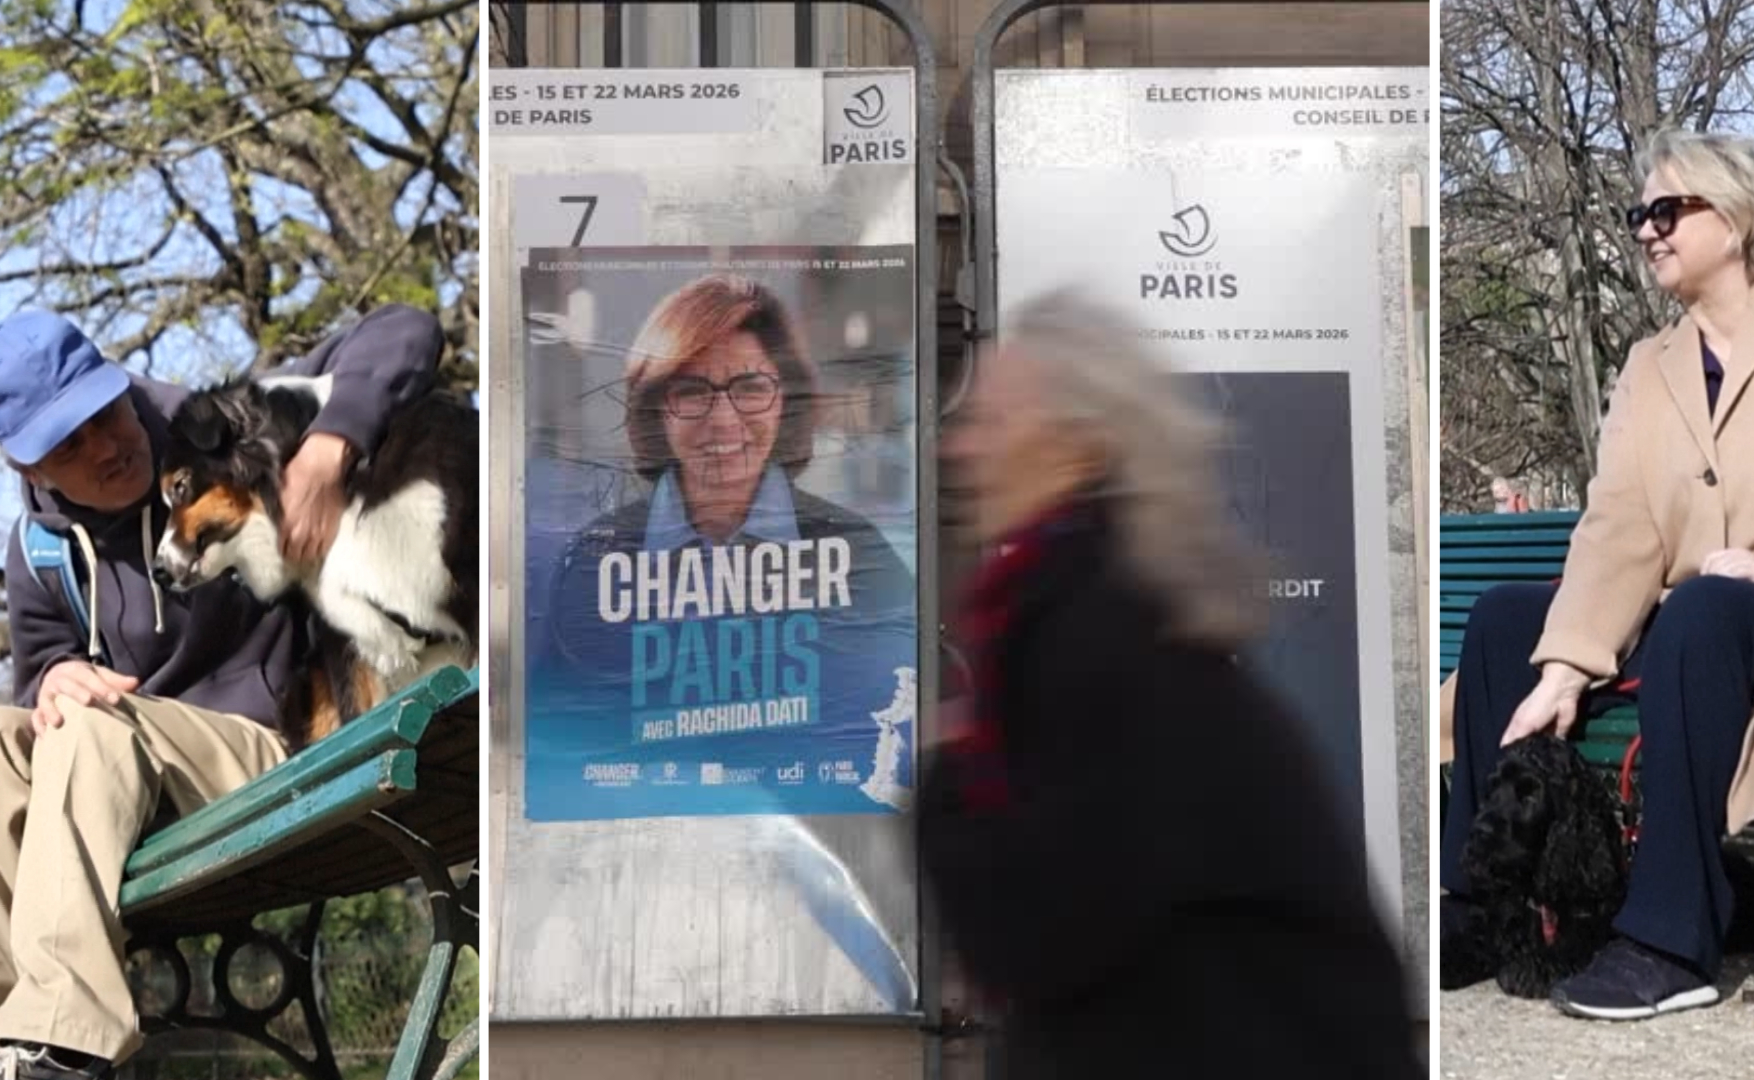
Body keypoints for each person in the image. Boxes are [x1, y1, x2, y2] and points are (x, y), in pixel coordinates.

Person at [1440, 129, 1754, 1020]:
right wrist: (1567, 662)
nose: (1645, 230)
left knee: (1705, 607)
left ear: (1734, 218)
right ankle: (1477, 909)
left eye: (1666, 210)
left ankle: (1670, 939)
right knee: (1505, 620)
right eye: (1639, 214)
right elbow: (1619, 524)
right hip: (1699, 622)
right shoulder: (1650, 366)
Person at [916, 288, 1422, 1078]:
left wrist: (942, 780)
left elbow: (1034, 933)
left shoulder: (1101, 627)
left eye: (990, 422)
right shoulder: (1085, 603)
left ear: (1075, 447)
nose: (959, 447)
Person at [0, 303, 442, 1078]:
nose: (106, 447)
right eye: (70, 444)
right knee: (29, 728)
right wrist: (53, 675)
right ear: (28, 470)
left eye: (106, 415)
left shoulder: (224, 427)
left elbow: (405, 328)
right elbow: (40, 673)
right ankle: (14, 1031)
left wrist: (327, 448)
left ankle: (63, 1050)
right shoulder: (38, 552)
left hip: (275, 745)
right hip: (130, 785)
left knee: (90, 727)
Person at [533, 273, 914, 808]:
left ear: (785, 400)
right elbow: (557, 751)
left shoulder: (857, 554)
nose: (724, 421)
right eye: (691, 391)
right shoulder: (595, 564)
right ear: (656, 408)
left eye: (751, 388)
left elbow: (896, 739)